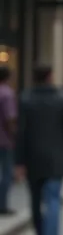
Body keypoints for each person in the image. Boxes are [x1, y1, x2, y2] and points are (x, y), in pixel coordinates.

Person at [15, 65, 63, 235]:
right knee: (53, 201)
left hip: (32, 160)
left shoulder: (25, 99)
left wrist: (19, 162)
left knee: (35, 202)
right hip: (56, 159)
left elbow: (20, 133)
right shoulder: (62, 98)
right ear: (50, 76)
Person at [0, 65, 17, 216]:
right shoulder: (7, 94)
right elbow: (10, 118)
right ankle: (2, 205)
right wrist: (14, 135)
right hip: (4, 141)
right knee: (6, 173)